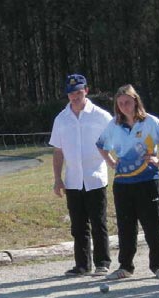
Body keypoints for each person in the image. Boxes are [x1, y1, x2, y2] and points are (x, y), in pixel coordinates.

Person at [96, 84, 159, 280]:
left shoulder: (150, 122)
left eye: (127, 102)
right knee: (126, 227)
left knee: (153, 226)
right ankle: (125, 266)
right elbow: (101, 145)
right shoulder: (114, 125)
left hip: (147, 180)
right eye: (120, 104)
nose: (124, 106)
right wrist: (111, 161)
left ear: (135, 101)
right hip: (123, 184)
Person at [49, 74, 113, 277]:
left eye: (78, 92)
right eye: (71, 93)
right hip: (73, 180)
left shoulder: (101, 116)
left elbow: (114, 141)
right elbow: (58, 151)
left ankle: (102, 262)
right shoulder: (61, 119)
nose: (75, 97)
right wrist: (58, 178)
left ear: (86, 90)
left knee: (98, 223)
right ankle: (82, 264)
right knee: (78, 225)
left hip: (95, 177)